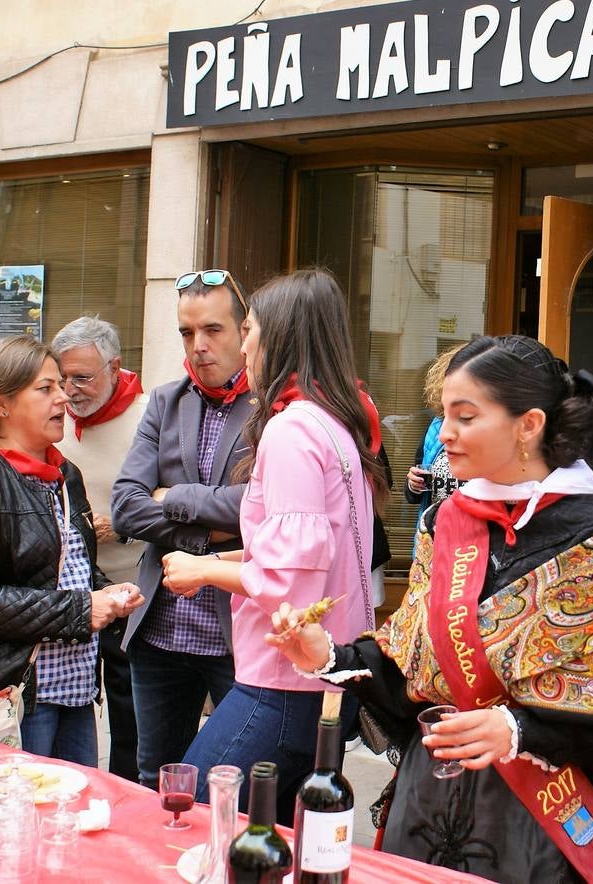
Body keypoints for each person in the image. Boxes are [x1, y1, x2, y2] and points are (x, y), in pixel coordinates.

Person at [267, 334, 593, 882]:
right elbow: (411, 663)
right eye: (443, 415)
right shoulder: (444, 521)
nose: (444, 434)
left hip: (536, 822)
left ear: (528, 425)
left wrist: (519, 729)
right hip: (427, 801)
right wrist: (328, 656)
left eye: (465, 416)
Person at [160, 268, 387, 820]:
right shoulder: (335, 422)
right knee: (274, 840)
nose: (244, 341)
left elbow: (287, 578)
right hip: (323, 676)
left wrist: (205, 572)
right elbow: (303, 551)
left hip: (284, 682)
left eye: (251, 327)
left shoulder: (292, 430)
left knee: (189, 816)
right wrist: (211, 560)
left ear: (280, 337)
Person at [0, 336, 144, 764]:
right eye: (46, 389)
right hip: (10, 694)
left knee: (70, 819)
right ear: (1, 404)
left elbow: (69, 567)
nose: (63, 397)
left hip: (75, 690)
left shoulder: (65, 472)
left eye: (61, 386)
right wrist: (82, 610)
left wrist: (109, 592)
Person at [111, 270, 255, 788]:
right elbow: (126, 507)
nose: (199, 346)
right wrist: (204, 537)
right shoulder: (166, 401)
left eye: (213, 330)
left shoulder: (275, 408)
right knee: (157, 780)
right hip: (160, 632)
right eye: (187, 333)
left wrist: (173, 497)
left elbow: (261, 510)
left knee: (242, 784)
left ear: (245, 330)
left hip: (237, 633)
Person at [53, 316, 147, 782]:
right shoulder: (52, 417)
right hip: (67, 596)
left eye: (83, 378)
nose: (70, 390)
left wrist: (123, 526)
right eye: (62, 376)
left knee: (130, 721)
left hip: (131, 591)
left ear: (114, 367)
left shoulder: (150, 415)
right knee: (70, 714)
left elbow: (174, 497)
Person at [404, 345, 464, 527]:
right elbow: (414, 494)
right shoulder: (436, 426)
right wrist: (413, 484)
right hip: (433, 539)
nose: (445, 435)